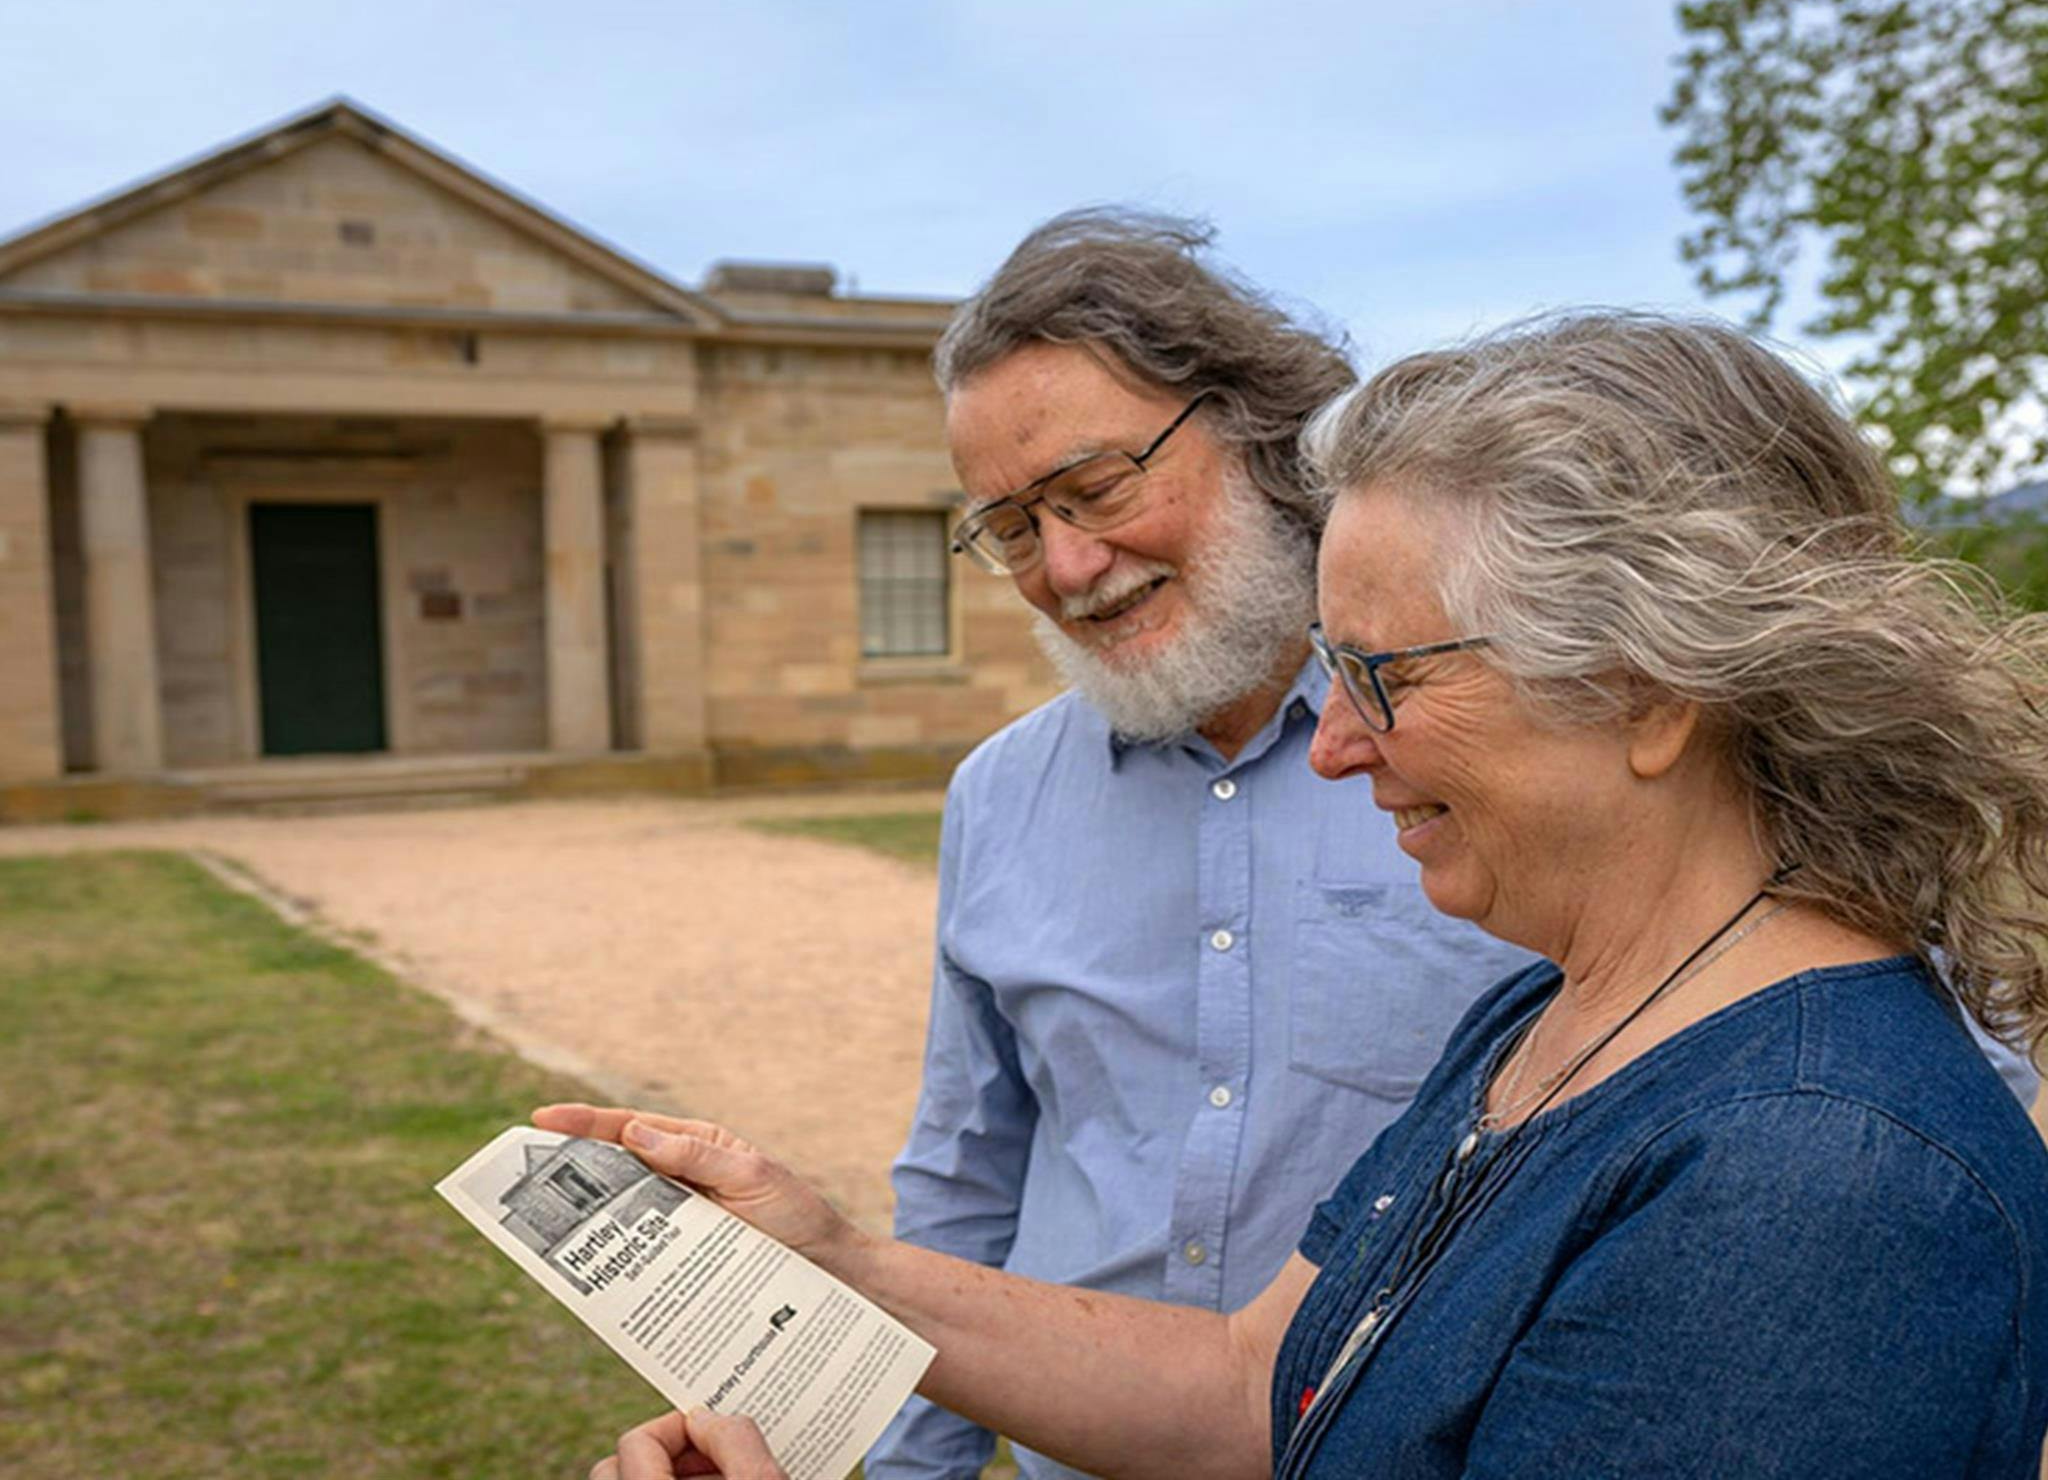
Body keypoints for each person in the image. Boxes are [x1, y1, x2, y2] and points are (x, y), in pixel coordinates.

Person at [549, 310, 2048, 1480]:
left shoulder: (1816, 1180)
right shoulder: (1565, 1009)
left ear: (1645, 688)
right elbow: (1265, 1388)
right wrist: (845, 1269)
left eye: (1384, 679)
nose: (1330, 748)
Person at [873, 211, 1529, 1480]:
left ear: (1253, 429)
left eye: (1095, 488)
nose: (1066, 565)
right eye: (1009, 528)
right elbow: (965, 1177)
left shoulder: (1484, 742)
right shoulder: (994, 797)